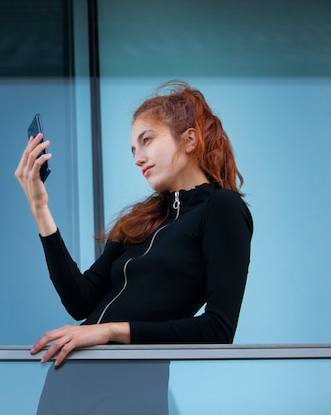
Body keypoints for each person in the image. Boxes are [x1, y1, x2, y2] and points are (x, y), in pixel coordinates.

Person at [15, 81, 253, 414]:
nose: (138, 158)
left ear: (189, 139)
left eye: (147, 141)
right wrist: (39, 206)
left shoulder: (222, 209)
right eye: (132, 150)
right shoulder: (140, 220)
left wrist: (110, 332)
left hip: (133, 385)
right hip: (68, 381)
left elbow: (218, 329)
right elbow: (80, 300)